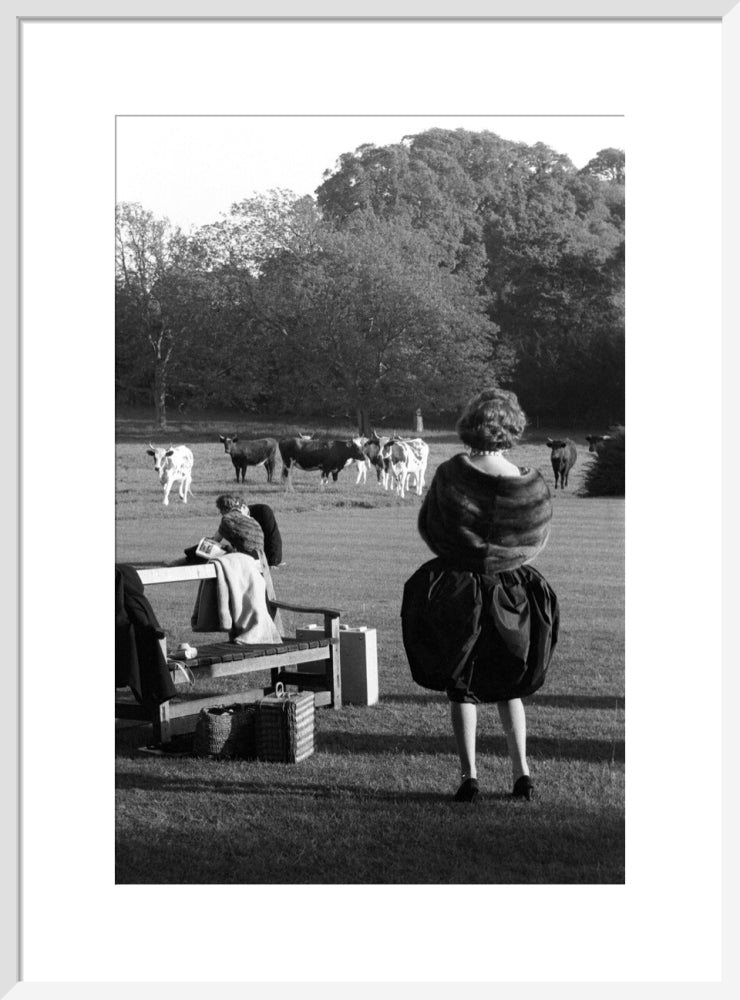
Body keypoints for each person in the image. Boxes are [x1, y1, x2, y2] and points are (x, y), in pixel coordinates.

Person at [400, 388, 560, 803]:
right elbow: (537, 538)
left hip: (459, 589)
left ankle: (469, 776)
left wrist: (464, 552)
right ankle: (521, 774)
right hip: (513, 590)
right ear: (512, 428)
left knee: (462, 685)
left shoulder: (453, 474)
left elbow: (431, 526)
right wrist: (505, 558)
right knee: (510, 684)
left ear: (471, 424)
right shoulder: (532, 483)